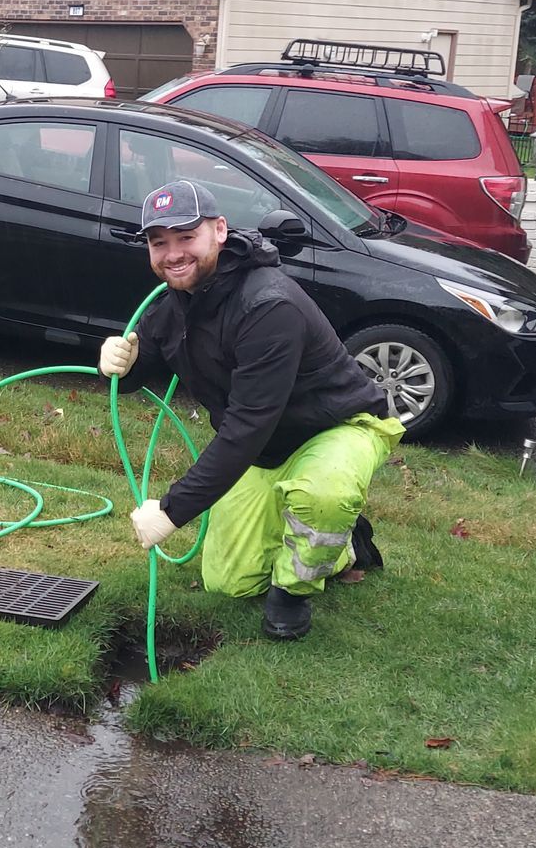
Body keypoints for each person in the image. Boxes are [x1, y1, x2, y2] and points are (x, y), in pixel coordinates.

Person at [99, 179, 405, 640]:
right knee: (230, 583)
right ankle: (334, 538)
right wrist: (119, 364)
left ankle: (299, 587)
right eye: (159, 243)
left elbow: (246, 427)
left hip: (336, 427)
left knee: (322, 496)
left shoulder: (268, 306)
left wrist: (171, 509)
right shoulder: (172, 304)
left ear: (219, 231)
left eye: (186, 237)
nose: (172, 253)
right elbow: (146, 366)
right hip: (265, 449)